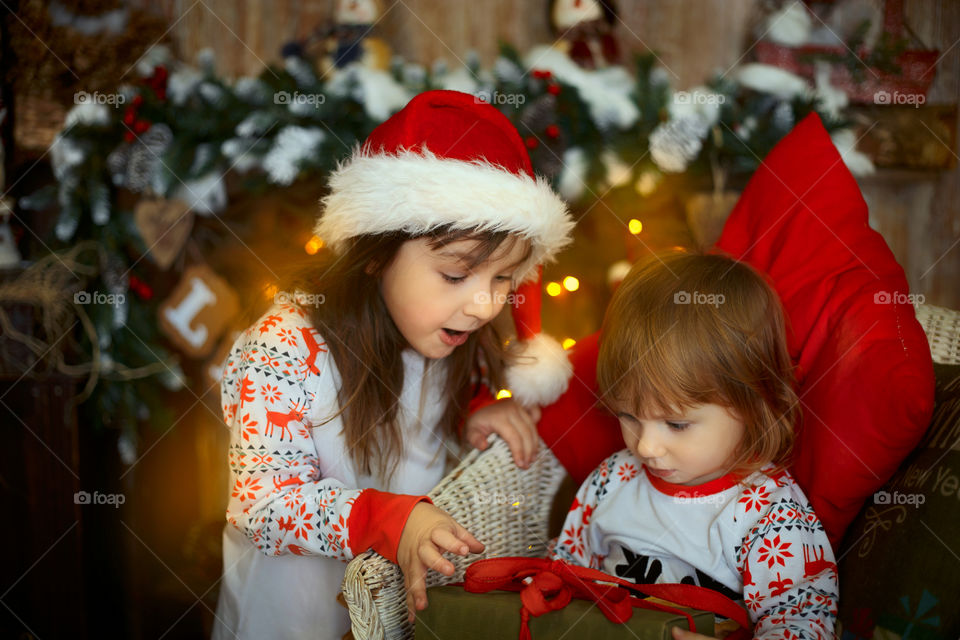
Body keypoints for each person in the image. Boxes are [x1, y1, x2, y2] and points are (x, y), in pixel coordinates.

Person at [213, 90, 575, 640]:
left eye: (502, 279)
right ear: (377, 252)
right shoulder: (284, 348)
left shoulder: (447, 334)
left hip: (393, 618)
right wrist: (388, 520)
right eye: (456, 276)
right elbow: (264, 504)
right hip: (291, 618)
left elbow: (428, 414)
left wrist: (472, 412)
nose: (485, 305)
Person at [550, 251, 838, 639]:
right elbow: (566, 569)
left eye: (676, 424)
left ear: (753, 405)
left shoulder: (769, 514)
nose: (647, 447)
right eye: (629, 416)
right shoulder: (613, 478)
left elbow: (803, 624)